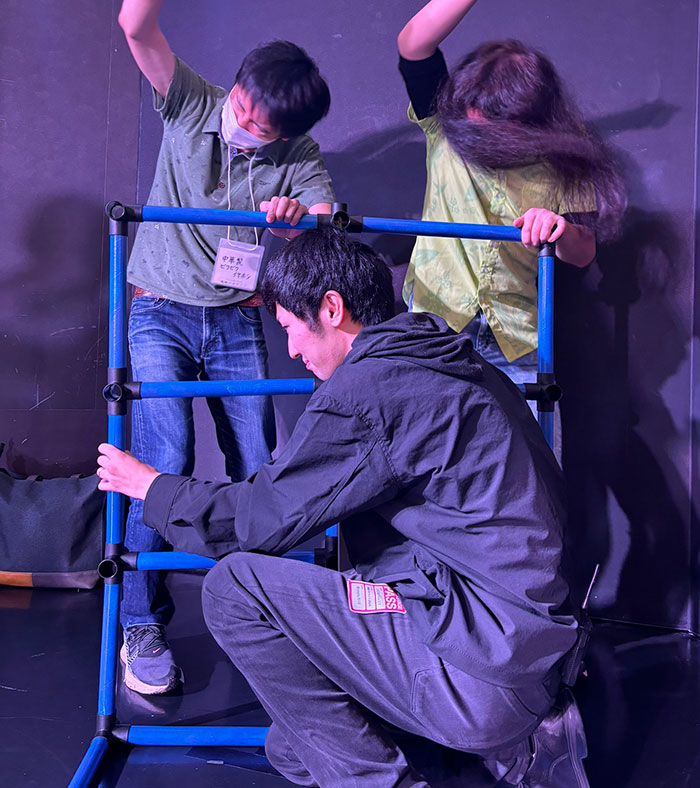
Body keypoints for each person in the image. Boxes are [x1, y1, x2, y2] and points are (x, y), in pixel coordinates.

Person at [97, 227, 591, 788]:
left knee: (236, 589)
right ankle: (492, 759)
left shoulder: (370, 391)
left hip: (482, 666)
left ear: (331, 309)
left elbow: (260, 521)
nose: (292, 351)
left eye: (288, 328)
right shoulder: (452, 361)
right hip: (528, 655)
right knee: (295, 748)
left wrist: (152, 487)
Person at [117, 0, 336, 694]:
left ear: (287, 132)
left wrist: (299, 218)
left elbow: (326, 208)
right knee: (163, 454)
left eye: (262, 123)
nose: (244, 121)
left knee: (259, 465)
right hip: (163, 312)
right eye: (242, 104)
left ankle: (266, 615)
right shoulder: (192, 103)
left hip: (240, 318)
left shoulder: (294, 155)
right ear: (236, 85)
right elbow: (135, 24)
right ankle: (143, 625)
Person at [397, 0, 625, 391]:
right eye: (468, 117)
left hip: (517, 339)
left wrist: (560, 231)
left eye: (490, 128)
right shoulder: (445, 120)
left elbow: (583, 254)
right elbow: (414, 42)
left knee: (523, 461)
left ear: (528, 123)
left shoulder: (566, 152)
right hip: (435, 325)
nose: (471, 131)